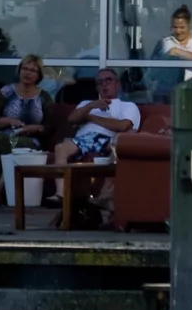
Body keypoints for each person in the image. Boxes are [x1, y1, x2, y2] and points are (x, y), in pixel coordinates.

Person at [47, 67, 141, 207]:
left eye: (108, 80)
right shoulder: (87, 104)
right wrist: (91, 106)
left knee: (118, 145)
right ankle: (61, 195)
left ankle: (104, 196)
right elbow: (72, 119)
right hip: (83, 139)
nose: (104, 84)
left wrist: (91, 117)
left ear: (117, 84)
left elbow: (123, 126)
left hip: (108, 139)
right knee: (60, 148)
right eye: (100, 82)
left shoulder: (127, 106)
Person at [0, 55, 56, 207]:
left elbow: (50, 126)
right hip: (3, 133)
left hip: (30, 139)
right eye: (25, 68)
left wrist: (34, 128)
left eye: (33, 70)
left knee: (18, 146)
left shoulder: (44, 97)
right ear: (19, 70)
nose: (28, 73)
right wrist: (9, 121)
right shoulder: (6, 92)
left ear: (38, 75)